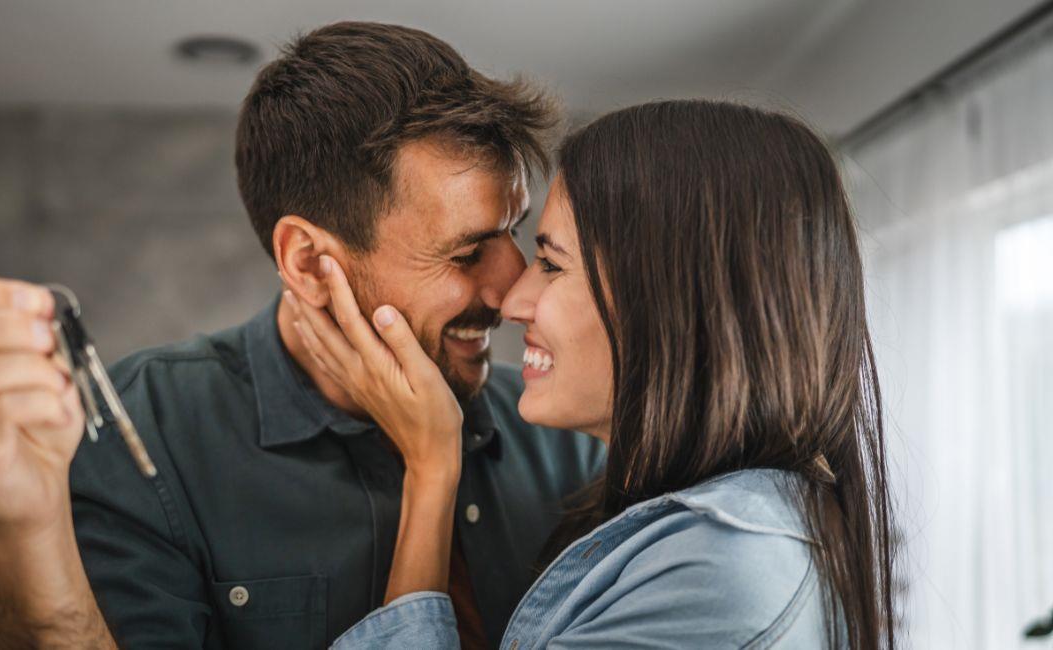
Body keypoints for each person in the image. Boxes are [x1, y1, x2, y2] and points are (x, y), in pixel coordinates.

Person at [0, 22, 604, 648]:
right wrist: (23, 533)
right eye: (464, 252)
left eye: (514, 231)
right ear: (307, 262)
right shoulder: (146, 429)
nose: (515, 290)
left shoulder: (565, 430)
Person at [288, 100, 897, 648]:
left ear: (669, 303)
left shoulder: (719, 569)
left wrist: (430, 468)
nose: (511, 299)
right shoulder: (676, 522)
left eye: (551, 265)